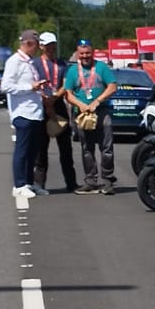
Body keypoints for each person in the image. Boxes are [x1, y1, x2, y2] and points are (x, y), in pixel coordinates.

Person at [63, 39, 118, 195]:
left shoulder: (101, 67)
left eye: (88, 53)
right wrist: (80, 105)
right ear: (77, 54)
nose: (85, 56)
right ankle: (90, 181)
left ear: (92, 52)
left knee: (106, 148)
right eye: (82, 54)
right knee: (87, 148)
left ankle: (107, 180)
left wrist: (97, 101)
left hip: (101, 112)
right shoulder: (73, 70)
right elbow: (68, 93)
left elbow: (112, 86)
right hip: (82, 114)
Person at [1, 28, 47, 203]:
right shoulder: (15, 61)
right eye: (36, 45)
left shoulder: (30, 62)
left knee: (32, 151)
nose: (37, 48)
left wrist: (39, 89)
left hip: (35, 112)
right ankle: (19, 185)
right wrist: (30, 88)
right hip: (22, 112)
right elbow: (6, 86)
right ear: (28, 43)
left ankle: (28, 182)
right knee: (22, 150)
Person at [33, 32, 78, 192]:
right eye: (47, 45)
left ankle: (71, 183)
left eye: (53, 45)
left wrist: (54, 97)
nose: (51, 48)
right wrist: (44, 98)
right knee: (41, 148)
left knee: (65, 147)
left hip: (58, 105)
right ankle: (39, 184)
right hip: (41, 106)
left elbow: (66, 84)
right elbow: (32, 82)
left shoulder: (62, 64)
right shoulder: (35, 63)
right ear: (41, 46)